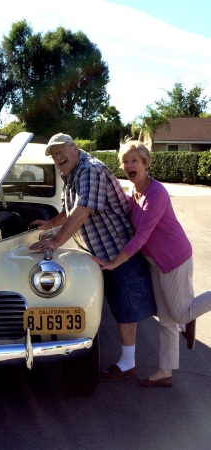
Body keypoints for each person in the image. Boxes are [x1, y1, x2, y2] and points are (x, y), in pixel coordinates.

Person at [29, 133, 156, 381]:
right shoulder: (72, 173)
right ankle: (180, 320)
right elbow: (70, 208)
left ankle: (129, 362)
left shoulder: (90, 170)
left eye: (60, 151)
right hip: (102, 252)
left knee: (126, 308)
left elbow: (82, 209)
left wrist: (55, 241)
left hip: (119, 250)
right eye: (53, 155)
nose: (57, 157)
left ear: (74, 147)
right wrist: (50, 224)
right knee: (119, 303)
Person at [92, 139, 211, 387]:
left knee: (179, 314)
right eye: (125, 161)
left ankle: (193, 312)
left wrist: (114, 263)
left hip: (174, 258)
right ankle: (165, 372)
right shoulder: (134, 192)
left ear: (146, 163)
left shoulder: (156, 193)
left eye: (134, 160)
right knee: (166, 320)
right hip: (155, 262)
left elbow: (141, 236)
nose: (128, 165)